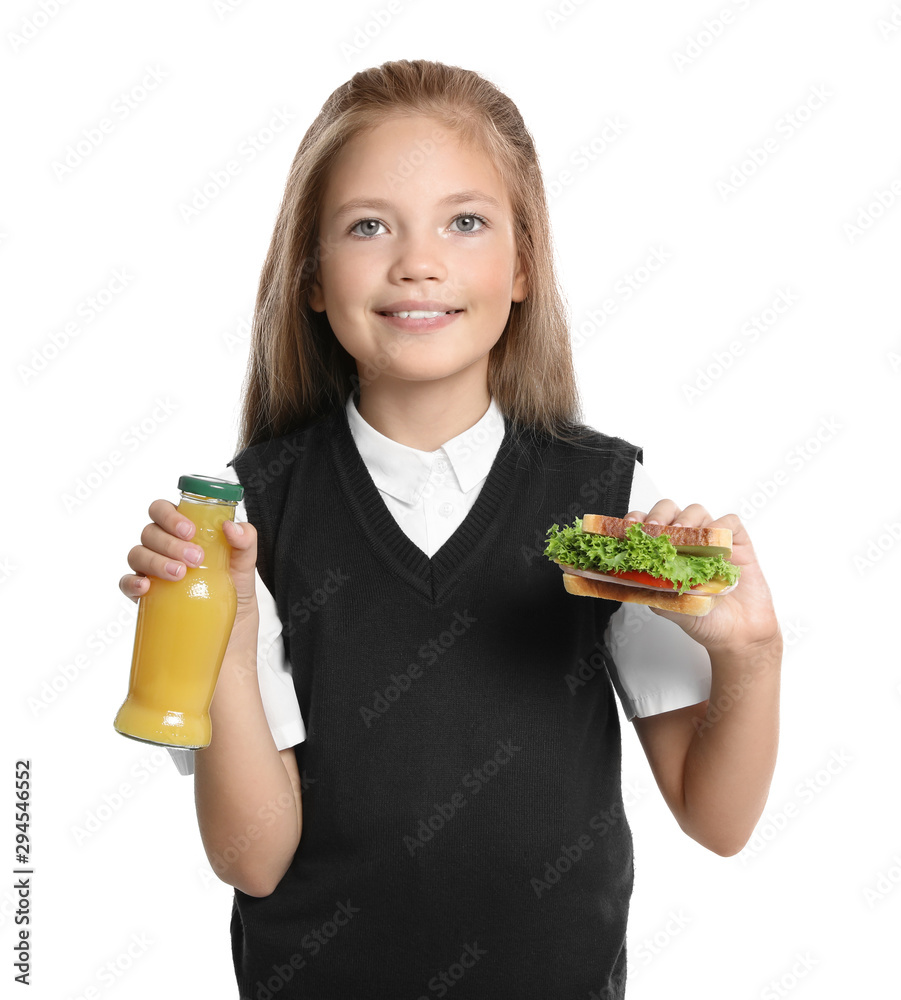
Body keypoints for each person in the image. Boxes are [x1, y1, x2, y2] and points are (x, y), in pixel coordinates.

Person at [119, 59, 782, 999]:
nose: (417, 260)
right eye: (367, 226)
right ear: (310, 276)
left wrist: (751, 656)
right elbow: (252, 861)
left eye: (464, 222)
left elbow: (717, 820)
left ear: (521, 268)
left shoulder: (612, 501)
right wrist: (221, 638)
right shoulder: (240, 523)